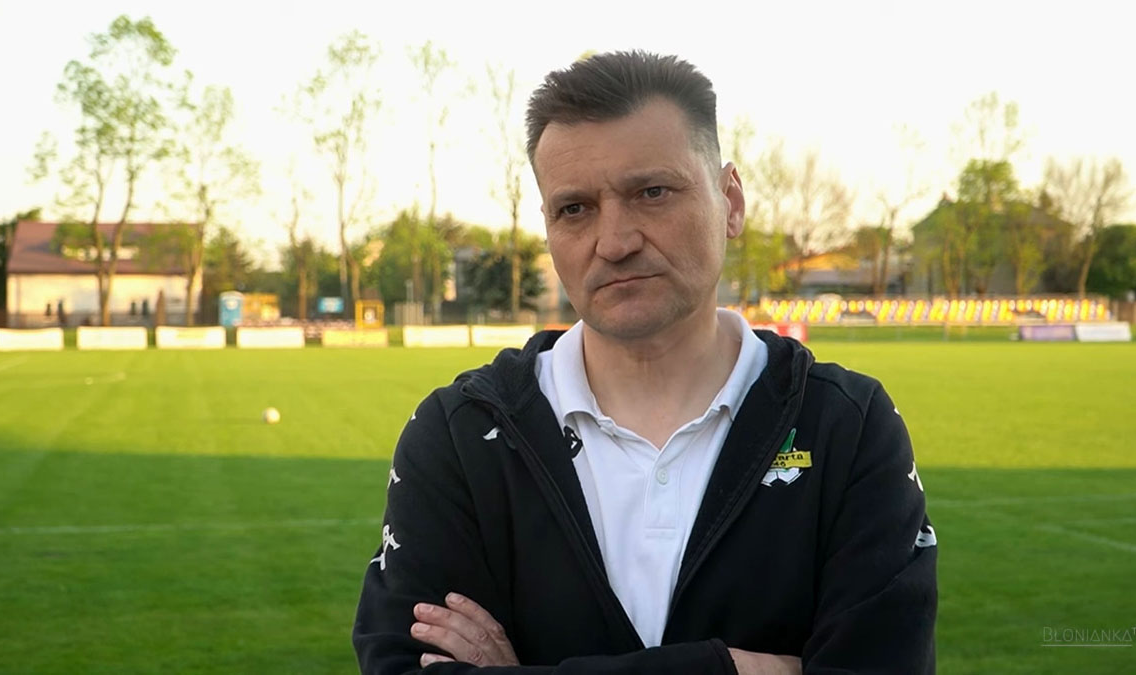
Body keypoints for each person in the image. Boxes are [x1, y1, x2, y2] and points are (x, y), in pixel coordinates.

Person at [353, 51, 936, 674]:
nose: (615, 242)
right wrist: (730, 670)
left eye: (652, 193)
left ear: (730, 201)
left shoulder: (847, 427)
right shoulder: (461, 435)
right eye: (574, 209)